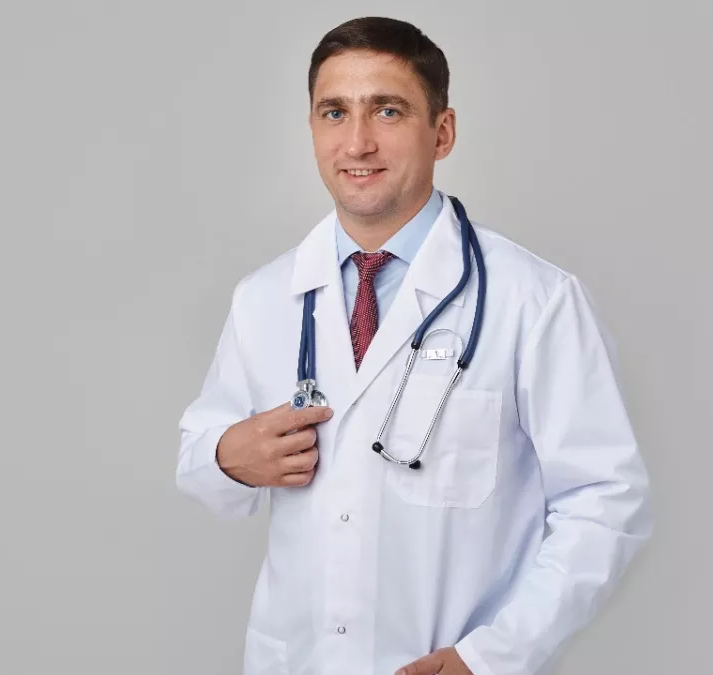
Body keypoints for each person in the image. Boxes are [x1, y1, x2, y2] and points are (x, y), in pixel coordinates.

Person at [176, 16, 652, 675]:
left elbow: (606, 502)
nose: (358, 141)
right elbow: (201, 458)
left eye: (388, 110)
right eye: (335, 112)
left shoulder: (534, 300)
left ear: (443, 132)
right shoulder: (263, 298)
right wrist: (229, 456)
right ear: (312, 129)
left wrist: (491, 656)